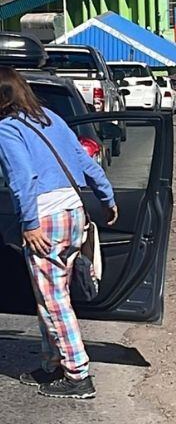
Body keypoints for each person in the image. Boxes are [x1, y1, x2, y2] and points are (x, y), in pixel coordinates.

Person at [0, 67, 118, 399]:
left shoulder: (7, 130)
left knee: (54, 301)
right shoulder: (50, 118)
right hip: (74, 212)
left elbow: (23, 180)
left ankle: (78, 375)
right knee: (51, 295)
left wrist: (29, 223)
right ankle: (52, 364)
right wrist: (107, 198)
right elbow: (85, 160)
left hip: (45, 217)